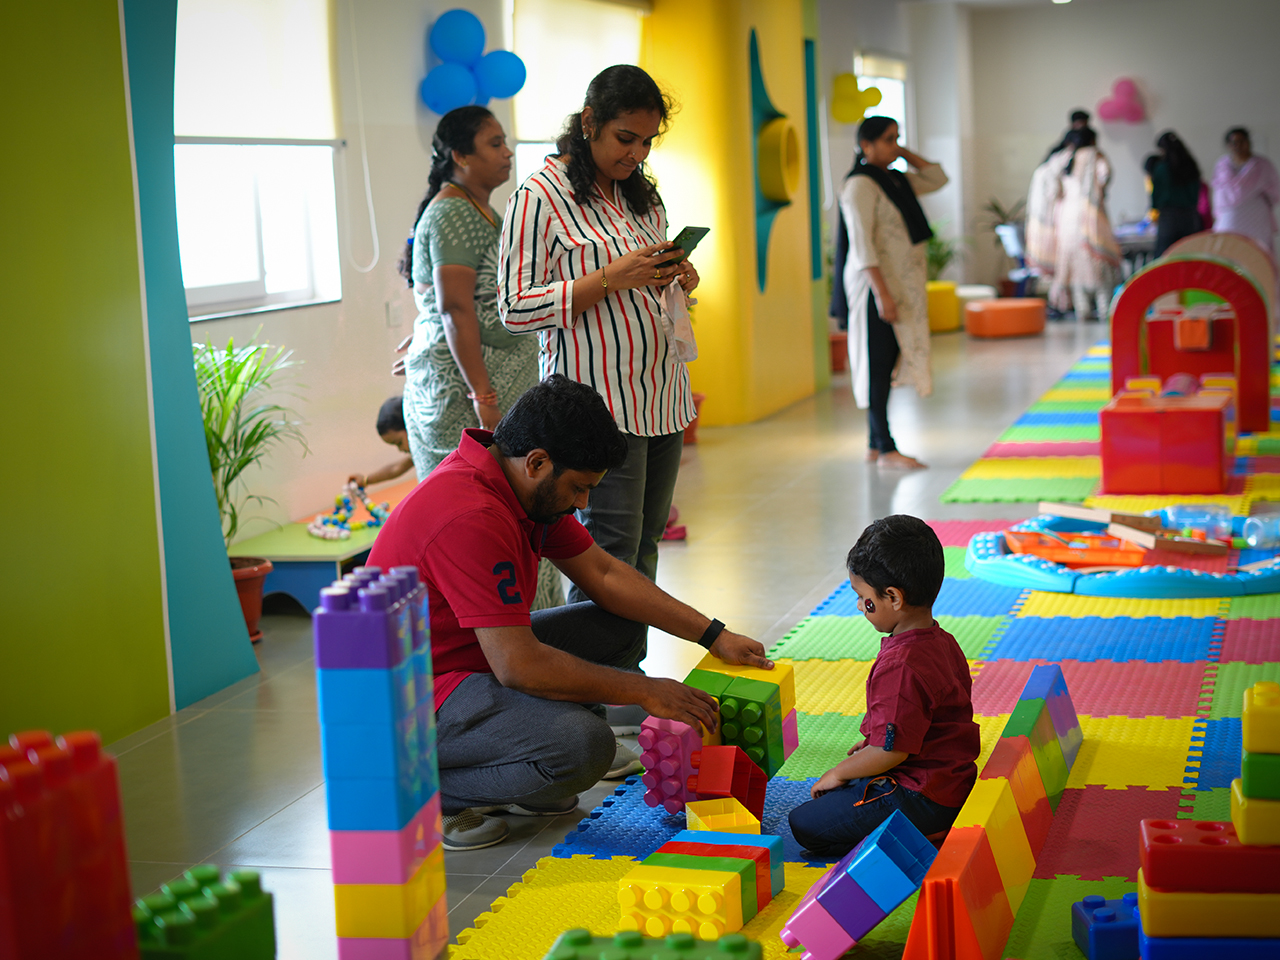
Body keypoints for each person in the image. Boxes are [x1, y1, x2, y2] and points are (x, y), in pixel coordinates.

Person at [366, 375, 772, 851]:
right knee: (585, 748)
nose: (583, 503)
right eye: (579, 488)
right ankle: (425, 793)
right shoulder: (472, 514)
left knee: (620, 627)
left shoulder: (518, 486)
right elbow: (518, 665)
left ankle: (527, 762)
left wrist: (713, 635)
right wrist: (646, 690)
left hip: (468, 658)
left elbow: (604, 573)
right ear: (537, 462)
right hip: (409, 700)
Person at [497, 64, 699, 623]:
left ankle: (631, 669)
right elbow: (514, 307)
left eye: (647, 142)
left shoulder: (641, 196)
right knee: (607, 559)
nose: (636, 153)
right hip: (599, 405)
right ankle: (597, 676)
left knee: (646, 548)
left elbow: (644, 282)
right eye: (625, 138)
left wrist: (677, 278)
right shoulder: (541, 195)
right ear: (589, 122)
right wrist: (610, 277)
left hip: (661, 395)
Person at [396, 106, 562, 611]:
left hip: (491, 381)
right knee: (470, 515)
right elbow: (454, 307)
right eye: (494, 144)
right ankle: (490, 634)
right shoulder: (452, 212)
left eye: (505, 141)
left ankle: (534, 629)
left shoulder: (479, 209)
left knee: (517, 508)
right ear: (460, 156)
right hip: (464, 394)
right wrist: (483, 395)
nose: (507, 152)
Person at [788, 515, 979, 860]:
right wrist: (872, 745)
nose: (859, 606)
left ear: (892, 597)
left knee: (804, 823)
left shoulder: (900, 665)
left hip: (923, 796)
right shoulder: (942, 640)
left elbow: (891, 752)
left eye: (863, 598)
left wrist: (838, 772)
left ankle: (919, 832)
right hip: (953, 780)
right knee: (848, 785)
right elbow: (926, 719)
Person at [835, 116, 947, 470]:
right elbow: (862, 246)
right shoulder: (859, 185)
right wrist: (882, 295)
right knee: (878, 364)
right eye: (887, 139)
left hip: (899, 285)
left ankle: (875, 445)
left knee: (887, 363)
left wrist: (903, 152)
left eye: (897, 138)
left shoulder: (895, 179)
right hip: (875, 288)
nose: (894, 146)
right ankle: (885, 447)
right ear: (865, 145)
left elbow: (938, 178)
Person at [1048, 128, 1121, 322]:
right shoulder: (1095, 156)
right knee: (1098, 262)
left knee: (1074, 266)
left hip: (1067, 218)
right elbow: (1105, 176)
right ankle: (1105, 310)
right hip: (1090, 215)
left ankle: (1082, 311)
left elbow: (1053, 188)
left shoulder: (1062, 158)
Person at [1212, 126, 1280, 258]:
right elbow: (1219, 192)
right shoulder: (1222, 165)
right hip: (1230, 214)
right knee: (1226, 251)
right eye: (1234, 142)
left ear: (1248, 142)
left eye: (1242, 141)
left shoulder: (1262, 164)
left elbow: (1274, 190)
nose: (1238, 145)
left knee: (1256, 253)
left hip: (1255, 215)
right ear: (1228, 145)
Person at [1144, 131, 1203, 257]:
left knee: (1165, 257)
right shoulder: (1191, 166)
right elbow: (1196, 193)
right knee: (1190, 256)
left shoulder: (1161, 168)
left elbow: (1156, 197)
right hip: (1190, 216)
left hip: (1169, 218)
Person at [348, 396, 414, 489]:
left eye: (399, 442)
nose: (400, 449)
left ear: (410, 427)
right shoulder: (418, 453)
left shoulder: (431, 446)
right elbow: (395, 469)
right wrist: (365, 480)